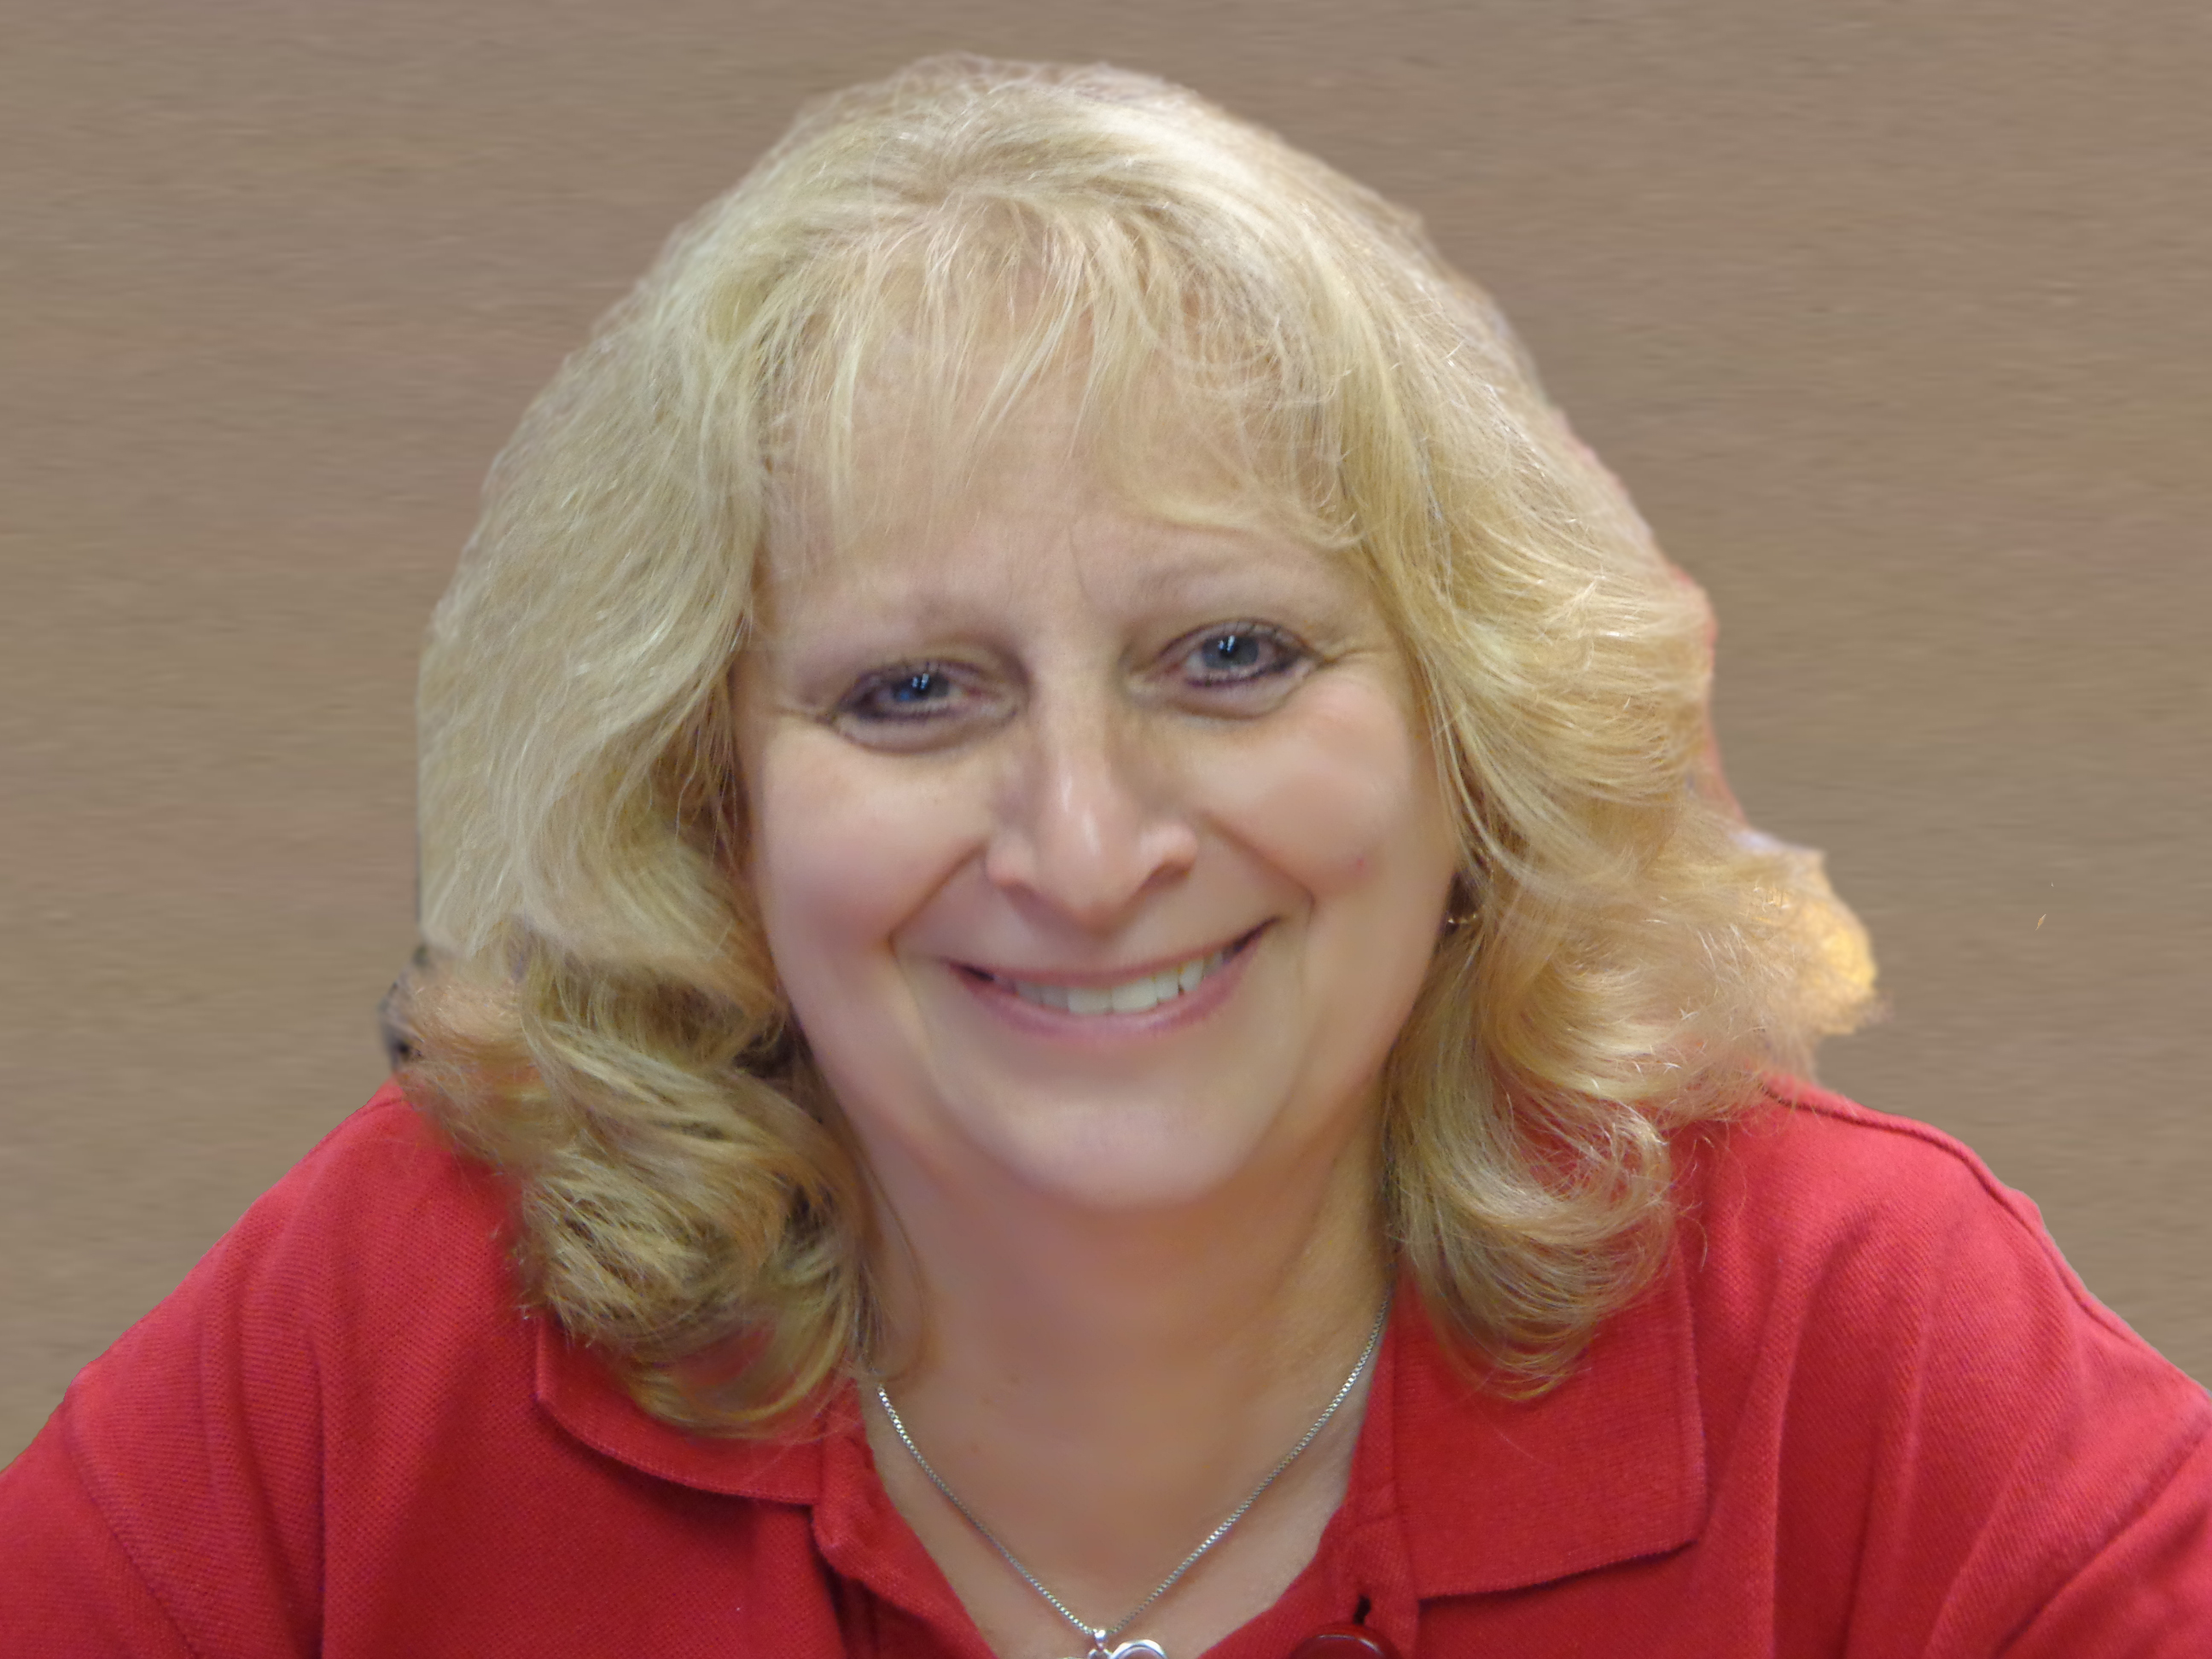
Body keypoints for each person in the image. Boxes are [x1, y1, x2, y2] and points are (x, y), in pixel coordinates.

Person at [3, 55, 2207, 1659]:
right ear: (713, 806)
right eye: (911, 692)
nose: (1083, 847)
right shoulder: (403, 1316)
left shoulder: (1849, 1325)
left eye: (1230, 655)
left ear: (1475, 736)